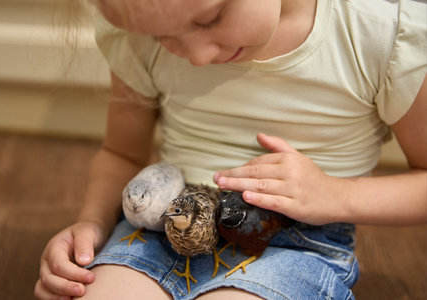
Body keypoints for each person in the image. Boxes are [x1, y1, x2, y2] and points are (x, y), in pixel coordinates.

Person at [34, 0, 427, 299]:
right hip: (164, 225)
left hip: (294, 245)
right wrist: (91, 225)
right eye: (162, 37)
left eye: (209, 19)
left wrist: (337, 195)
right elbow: (123, 153)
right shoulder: (143, 19)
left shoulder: (377, 34)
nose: (198, 56)